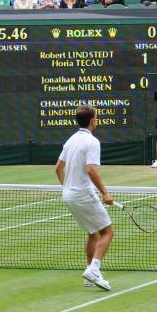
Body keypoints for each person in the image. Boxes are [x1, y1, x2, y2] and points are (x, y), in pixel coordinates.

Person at [54, 106, 114, 290]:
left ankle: (89, 275)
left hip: (68, 196)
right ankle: (94, 269)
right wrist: (105, 193)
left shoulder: (71, 140)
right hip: (82, 195)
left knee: (92, 232)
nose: (97, 120)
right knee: (107, 232)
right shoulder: (92, 142)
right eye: (96, 118)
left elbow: (58, 168)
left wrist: (68, 188)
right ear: (92, 121)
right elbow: (91, 170)